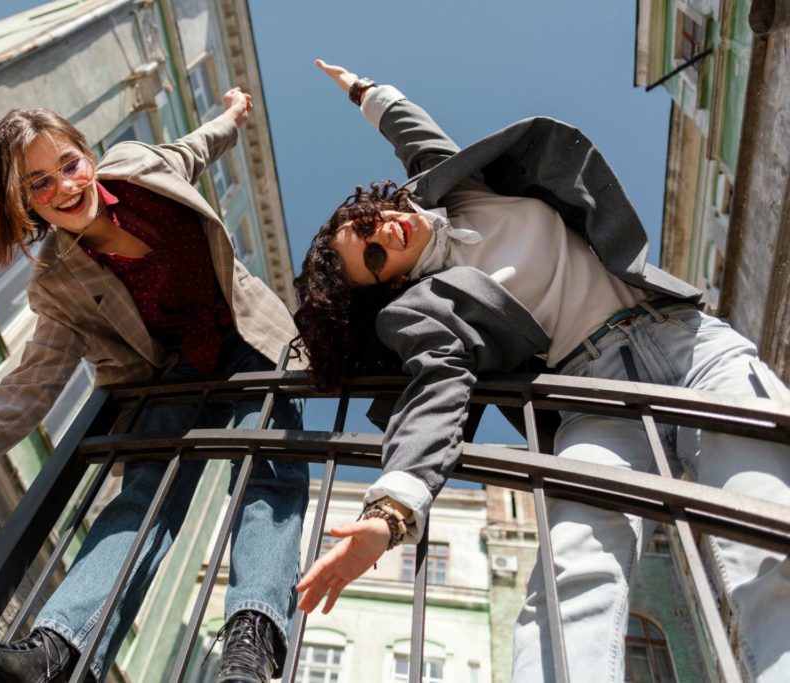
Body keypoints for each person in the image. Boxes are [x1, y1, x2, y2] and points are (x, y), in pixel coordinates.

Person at [292, 59, 790, 682]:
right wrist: (389, 513)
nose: (382, 236)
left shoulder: (459, 186)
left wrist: (365, 92)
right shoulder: (426, 308)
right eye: (372, 257)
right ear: (389, 283)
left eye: (365, 224)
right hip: (596, 397)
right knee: (571, 567)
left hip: (689, 343)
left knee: (766, 516)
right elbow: (436, 395)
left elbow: (412, 130)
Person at [0, 87, 308, 683]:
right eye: (40, 185)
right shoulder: (54, 280)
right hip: (173, 371)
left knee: (269, 471)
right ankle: (60, 649)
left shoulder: (142, 166)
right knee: (143, 494)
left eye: (69, 165)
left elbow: (199, 145)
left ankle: (250, 646)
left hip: (250, 334)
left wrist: (231, 114)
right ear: (27, 205)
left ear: (88, 156)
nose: (65, 188)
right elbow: (26, 392)